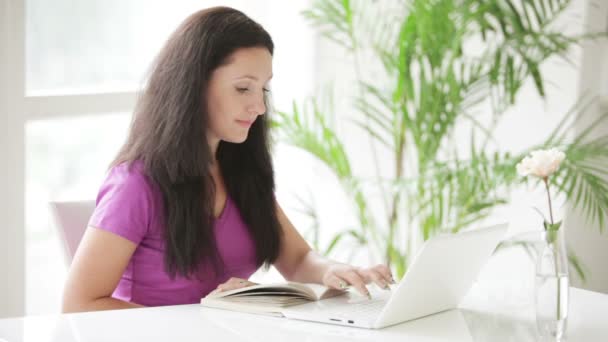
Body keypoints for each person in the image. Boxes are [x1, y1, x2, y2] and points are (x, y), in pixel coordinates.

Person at [62, 6, 392, 313]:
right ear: (193, 85)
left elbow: (297, 258)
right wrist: (206, 317)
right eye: (243, 89)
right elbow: (79, 303)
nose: (260, 107)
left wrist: (336, 270)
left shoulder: (241, 173)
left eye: (263, 89)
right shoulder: (136, 185)